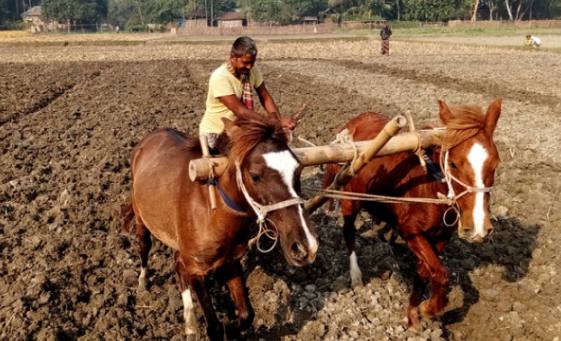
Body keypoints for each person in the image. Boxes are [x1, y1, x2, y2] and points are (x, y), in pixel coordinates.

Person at [199, 36, 295, 156]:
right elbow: (241, 112)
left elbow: (265, 96)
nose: (249, 66)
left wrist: (278, 120)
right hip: (217, 134)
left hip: (240, 131)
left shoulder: (252, 71)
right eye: (246, 62)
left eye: (252, 62)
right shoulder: (220, 77)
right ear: (233, 57)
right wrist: (276, 123)